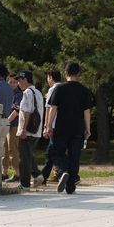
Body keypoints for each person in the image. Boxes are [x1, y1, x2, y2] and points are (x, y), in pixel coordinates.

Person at [44, 62, 93, 194]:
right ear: (78, 74)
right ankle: (70, 187)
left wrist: (48, 126)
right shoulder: (84, 90)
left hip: (62, 127)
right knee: (74, 156)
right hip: (78, 128)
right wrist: (88, 128)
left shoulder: (59, 89)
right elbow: (86, 111)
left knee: (55, 152)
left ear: (65, 73)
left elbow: (52, 109)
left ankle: (63, 171)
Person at [14, 70, 44, 189]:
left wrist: (23, 129)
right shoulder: (38, 92)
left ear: (25, 80)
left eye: (19, 80)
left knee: (24, 158)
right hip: (36, 130)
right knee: (28, 154)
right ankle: (37, 175)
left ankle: (24, 183)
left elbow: (26, 112)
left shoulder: (27, 92)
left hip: (27, 130)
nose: (18, 83)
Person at [35, 68, 64, 187]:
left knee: (52, 152)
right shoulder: (64, 88)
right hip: (64, 124)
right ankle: (44, 176)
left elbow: (49, 109)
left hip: (54, 124)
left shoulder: (53, 90)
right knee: (52, 152)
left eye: (48, 77)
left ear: (51, 78)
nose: (47, 80)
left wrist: (47, 126)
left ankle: (64, 172)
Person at [3, 73, 21, 181]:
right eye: (10, 82)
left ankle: (17, 173)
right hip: (5, 124)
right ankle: (4, 172)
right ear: (7, 82)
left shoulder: (19, 94)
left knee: (12, 149)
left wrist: (7, 121)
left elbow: (16, 111)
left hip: (14, 125)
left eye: (15, 82)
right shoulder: (6, 93)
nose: (13, 84)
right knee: (4, 149)